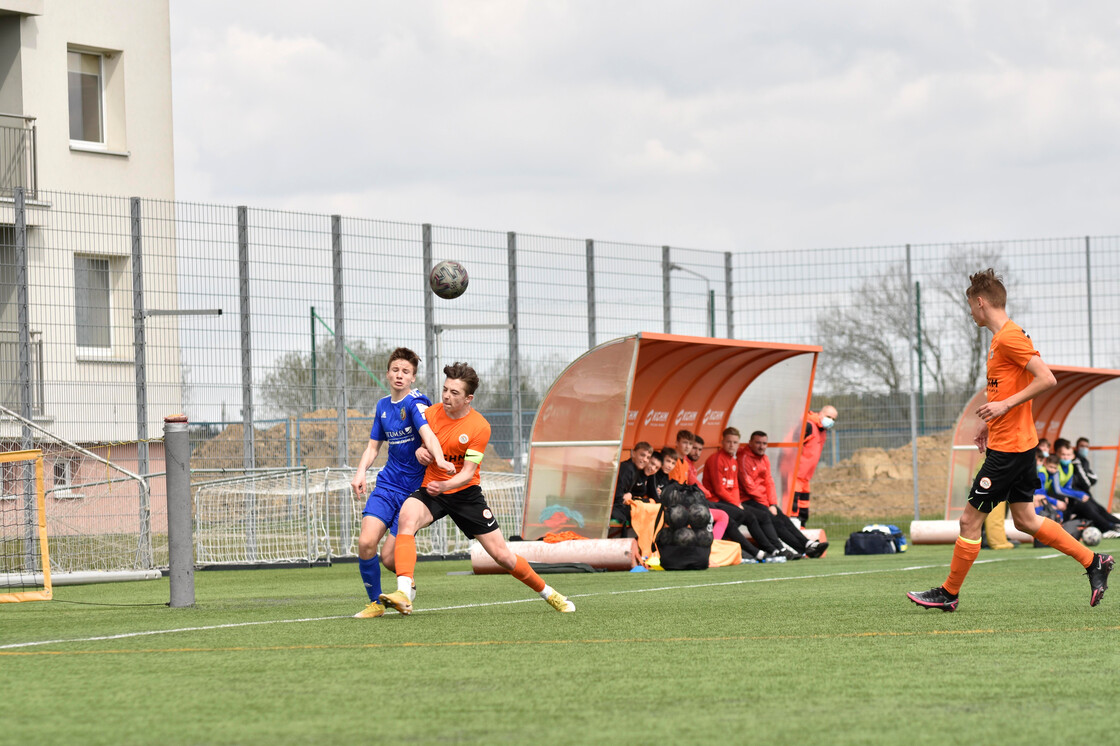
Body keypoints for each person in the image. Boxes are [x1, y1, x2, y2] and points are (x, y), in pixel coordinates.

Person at [908, 268, 1113, 611]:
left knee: (968, 521)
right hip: (1015, 443)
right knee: (1026, 520)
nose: (970, 312)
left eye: (970, 306)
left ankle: (948, 593)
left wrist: (1003, 405)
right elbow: (1010, 388)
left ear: (980, 302)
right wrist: (991, 422)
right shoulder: (1001, 338)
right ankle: (1095, 562)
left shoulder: (1009, 337)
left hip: (1010, 450)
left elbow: (1046, 379)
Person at [381, 362, 575, 615]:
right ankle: (404, 591)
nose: (447, 396)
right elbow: (418, 445)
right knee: (407, 517)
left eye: (455, 393)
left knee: (502, 556)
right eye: (445, 389)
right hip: (432, 489)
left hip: (464, 494)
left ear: (468, 398)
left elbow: (467, 474)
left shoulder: (479, 427)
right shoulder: (429, 414)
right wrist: (420, 451)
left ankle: (550, 594)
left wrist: (445, 484)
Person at [349, 347, 454, 619]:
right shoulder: (383, 406)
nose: (399, 375)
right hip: (387, 486)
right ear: (387, 374)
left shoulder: (417, 403)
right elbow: (373, 448)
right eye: (395, 370)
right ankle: (376, 604)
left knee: (388, 558)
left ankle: (406, 587)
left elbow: (429, 434)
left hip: (413, 494)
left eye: (405, 372)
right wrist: (360, 473)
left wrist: (438, 459)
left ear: (413, 378)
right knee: (365, 543)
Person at [738, 430, 828, 559]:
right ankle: (792, 549)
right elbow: (749, 487)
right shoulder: (744, 458)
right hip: (748, 500)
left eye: (764, 443)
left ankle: (807, 544)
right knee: (775, 521)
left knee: (784, 519)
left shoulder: (764, 458)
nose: (761, 446)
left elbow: (769, 482)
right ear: (750, 443)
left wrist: (773, 503)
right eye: (758, 443)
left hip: (762, 500)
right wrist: (767, 504)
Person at [701, 427, 779, 561]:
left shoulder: (733, 460)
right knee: (744, 516)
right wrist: (736, 504)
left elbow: (735, 486)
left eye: (735, 442)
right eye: (729, 442)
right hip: (715, 501)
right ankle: (760, 551)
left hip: (729, 502)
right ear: (722, 442)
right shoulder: (716, 459)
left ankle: (770, 549)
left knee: (756, 516)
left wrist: (738, 503)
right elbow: (719, 490)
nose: (732, 445)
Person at [1048, 444, 1120, 534]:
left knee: (1096, 507)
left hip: (1065, 496)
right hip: (1055, 497)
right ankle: (1109, 528)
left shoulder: (1070, 467)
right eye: (1063, 454)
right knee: (1086, 506)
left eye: (1068, 455)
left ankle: (1117, 524)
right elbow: (1057, 490)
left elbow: (1068, 487)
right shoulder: (1055, 468)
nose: (1066, 457)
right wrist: (1078, 495)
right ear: (1057, 454)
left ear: (1073, 455)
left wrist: (1080, 494)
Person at [792, 405, 837, 526]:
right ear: (820, 414)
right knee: (793, 510)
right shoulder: (809, 426)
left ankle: (802, 532)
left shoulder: (822, 431)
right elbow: (792, 446)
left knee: (803, 509)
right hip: (795, 476)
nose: (831, 421)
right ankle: (791, 536)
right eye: (828, 417)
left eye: (834, 419)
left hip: (806, 477)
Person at [612, 442, 653, 527]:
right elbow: (618, 498)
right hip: (613, 508)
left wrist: (630, 494)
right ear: (633, 453)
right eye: (642, 455)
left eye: (648, 457)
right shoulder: (627, 468)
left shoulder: (635, 469)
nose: (645, 459)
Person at [666, 429, 711, 499]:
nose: (687, 447)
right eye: (685, 443)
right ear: (677, 443)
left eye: (690, 444)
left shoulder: (685, 464)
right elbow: (674, 488)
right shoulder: (673, 461)